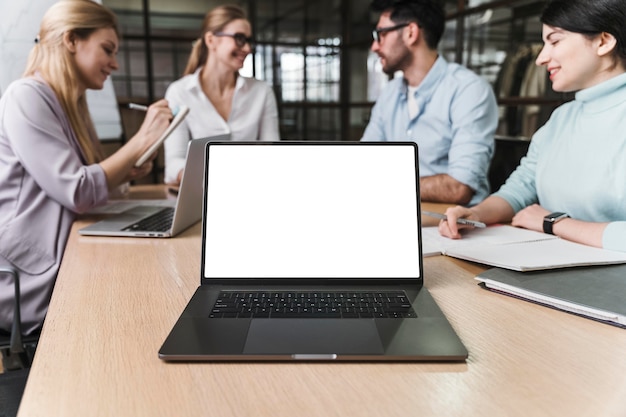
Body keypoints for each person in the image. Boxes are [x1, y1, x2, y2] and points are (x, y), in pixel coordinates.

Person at [0, 0, 173, 335]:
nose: (115, 64)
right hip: (31, 280)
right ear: (71, 40)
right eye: (107, 49)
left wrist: (127, 171)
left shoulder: (72, 106)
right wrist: (140, 141)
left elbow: (86, 188)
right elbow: (76, 191)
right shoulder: (26, 96)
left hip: (67, 255)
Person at [438, 0, 626, 253]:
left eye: (555, 41)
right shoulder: (561, 118)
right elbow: (521, 188)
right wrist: (473, 214)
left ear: (603, 41)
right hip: (553, 266)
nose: (541, 58)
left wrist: (554, 223)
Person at [361, 0, 498, 206]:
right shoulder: (389, 94)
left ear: (410, 33)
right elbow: (363, 163)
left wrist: (384, 184)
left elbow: (459, 187)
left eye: (381, 34)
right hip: (395, 209)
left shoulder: (467, 90)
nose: (375, 46)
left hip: (451, 226)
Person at [164, 5, 280, 185]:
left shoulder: (262, 92)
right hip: (201, 193)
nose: (248, 48)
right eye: (240, 39)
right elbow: (174, 162)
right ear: (211, 40)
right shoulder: (179, 92)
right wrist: (202, 179)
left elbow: (272, 153)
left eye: (249, 40)